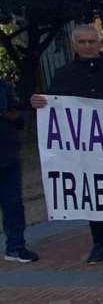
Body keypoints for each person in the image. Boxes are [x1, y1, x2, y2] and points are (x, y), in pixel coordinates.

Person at [31, 24, 103, 263]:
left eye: (91, 41)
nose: (87, 46)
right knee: (95, 194)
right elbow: (55, 109)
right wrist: (39, 103)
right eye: (82, 42)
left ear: (100, 43)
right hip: (86, 149)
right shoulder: (64, 74)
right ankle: (101, 243)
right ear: (75, 45)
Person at [1, 78, 37, 263]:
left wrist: (13, 116)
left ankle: (16, 247)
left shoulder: (3, 86)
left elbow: (20, 116)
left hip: (8, 154)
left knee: (13, 204)